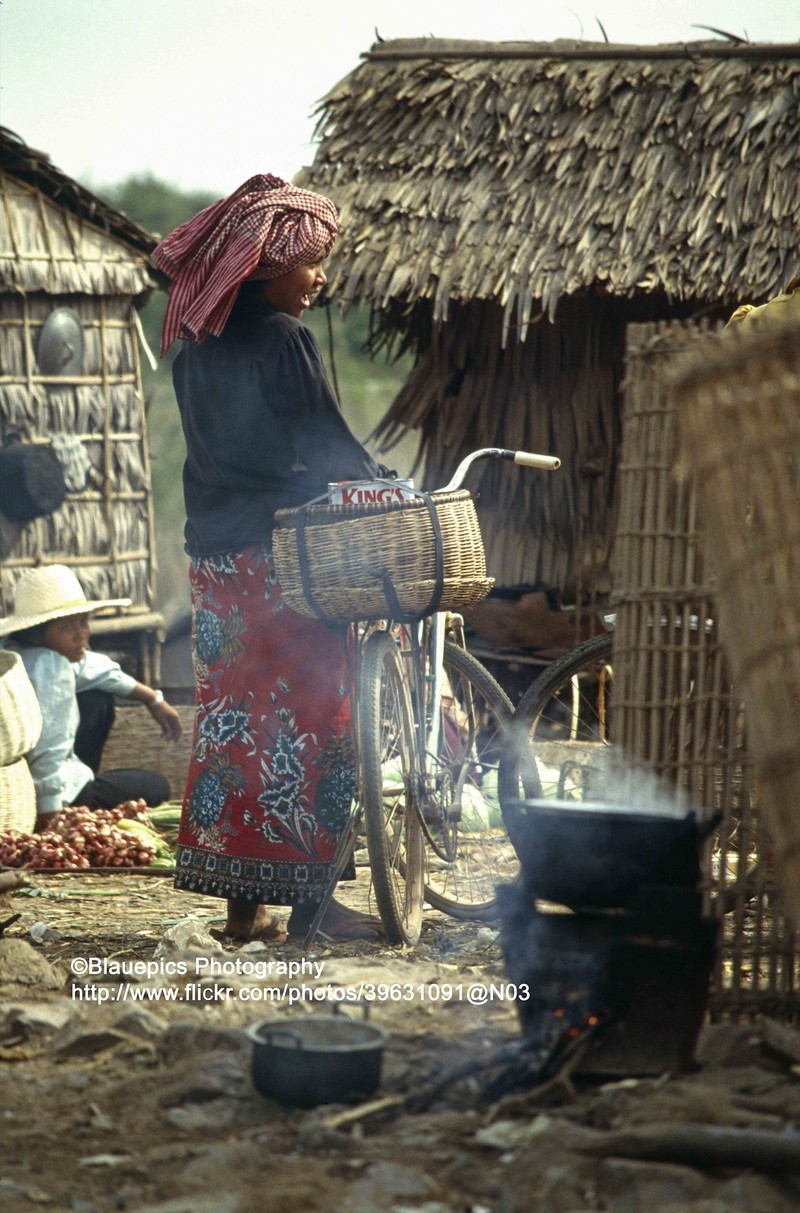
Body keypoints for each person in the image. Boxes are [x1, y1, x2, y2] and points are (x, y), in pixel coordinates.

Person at [152, 174, 386, 943]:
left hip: (216, 566)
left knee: (231, 726)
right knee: (320, 717)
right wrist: (380, 480)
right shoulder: (284, 340)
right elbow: (325, 448)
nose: (320, 277)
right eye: (312, 261)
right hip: (285, 562)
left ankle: (243, 910)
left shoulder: (193, 342)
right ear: (269, 261)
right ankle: (314, 909)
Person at [0, 565, 182, 832]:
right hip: (56, 796)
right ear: (38, 633)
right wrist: (52, 825)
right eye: (67, 626)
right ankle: (77, 803)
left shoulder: (20, 652)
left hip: (37, 784)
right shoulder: (52, 669)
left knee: (97, 696)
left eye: (84, 621)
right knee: (156, 785)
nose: (81, 633)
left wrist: (152, 699)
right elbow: (48, 753)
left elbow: (96, 669)